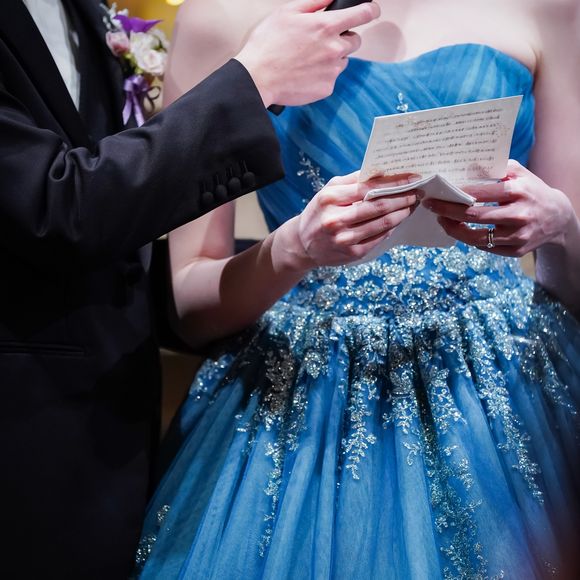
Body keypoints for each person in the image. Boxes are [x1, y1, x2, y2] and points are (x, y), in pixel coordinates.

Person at [137, 0, 580, 577]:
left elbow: (571, 288)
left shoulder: (550, 8)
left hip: (507, 385)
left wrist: (560, 227)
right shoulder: (222, 15)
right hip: (310, 393)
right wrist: (294, 249)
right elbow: (190, 306)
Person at [0, 0, 382, 577]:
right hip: (23, 423)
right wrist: (255, 78)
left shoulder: (84, 11)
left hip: (106, 429)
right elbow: (57, 207)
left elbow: (118, 231)